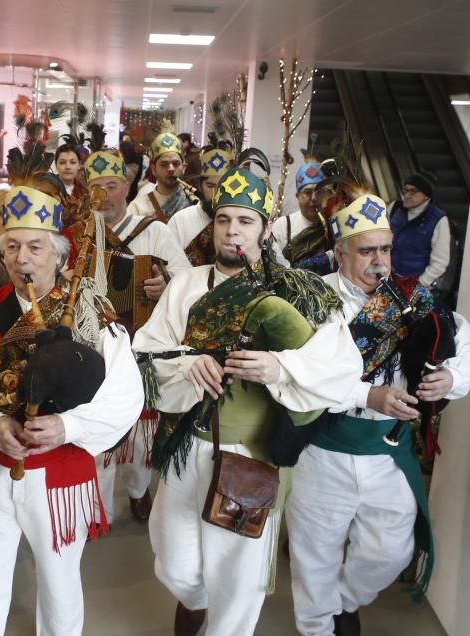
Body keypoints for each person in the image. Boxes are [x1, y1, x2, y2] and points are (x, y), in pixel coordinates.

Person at [133, 165, 362, 636]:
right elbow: (145, 352)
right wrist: (185, 365)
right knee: (174, 565)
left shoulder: (299, 291)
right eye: (224, 220)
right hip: (184, 445)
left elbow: (342, 367)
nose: (232, 230)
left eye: (245, 221)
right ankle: (195, 600)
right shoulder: (187, 285)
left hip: (249, 455)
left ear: (265, 228)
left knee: (238, 579)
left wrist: (282, 369)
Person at [0, 180, 143, 636]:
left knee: (59, 585)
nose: (21, 258)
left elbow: (126, 396)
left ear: (60, 255)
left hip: (58, 479)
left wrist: (67, 426)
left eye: (34, 246)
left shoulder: (92, 314)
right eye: (11, 246)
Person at [285, 194, 470, 636]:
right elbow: (297, 375)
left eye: (386, 249)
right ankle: (316, 627)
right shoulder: (313, 299)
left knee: (390, 553)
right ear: (339, 253)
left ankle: (344, 601)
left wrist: (450, 378)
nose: (379, 261)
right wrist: (365, 396)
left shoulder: (412, 295)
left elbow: (466, 343)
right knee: (313, 551)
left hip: (388, 451)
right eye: (366, 250)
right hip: (322, 450)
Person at [82, 147, 189, 522]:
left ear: (126, 187)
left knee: (142, 436)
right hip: (95, 348)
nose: (104, 196)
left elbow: (187, 279)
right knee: (100, 429)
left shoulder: (154, 231)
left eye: (111, 186)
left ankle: (139, 489)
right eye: (96, 187)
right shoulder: (81, 235)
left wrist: (166, 283)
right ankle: (100, 510)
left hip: (143, 347)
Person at [167, 147, 233, 265]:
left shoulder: (237, 224)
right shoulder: (180, 221)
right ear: (200, 185)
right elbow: (168, 266)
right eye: (210, 186)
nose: (216, 194)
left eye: (223, 187)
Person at [387, 171, 451, 288]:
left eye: (413, 191)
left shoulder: (438, 220)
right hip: (386, 280)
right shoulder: (394, 208)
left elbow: (440, 262)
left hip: (413, 287)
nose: (406, 195)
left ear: (426, 195)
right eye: (405, 190)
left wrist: (418, 285)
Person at [127, 131, 196, 221]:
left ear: (184, 167)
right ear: (153, 169)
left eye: (176, 164)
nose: (171, 169)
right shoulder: (137, 208)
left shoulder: (194, 203)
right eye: (164, 164)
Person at [273, 161, 327, 266]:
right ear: (297, 195)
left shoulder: (332, 227)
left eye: (319, 192)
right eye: (308, 192)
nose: (314, 198)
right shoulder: (283, 226)